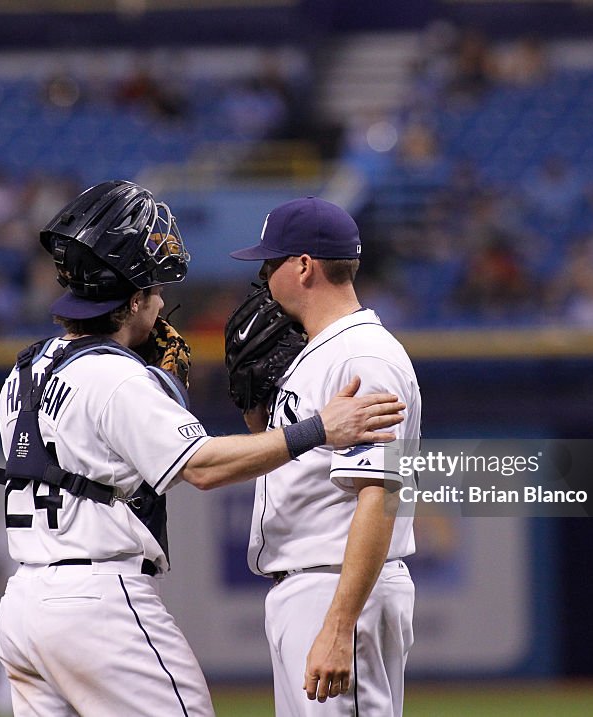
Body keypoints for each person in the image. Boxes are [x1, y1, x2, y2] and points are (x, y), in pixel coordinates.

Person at [0, 181, 405, 717]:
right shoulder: (116, 378)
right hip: (97, 602)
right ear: (133, 299)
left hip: (23, 609)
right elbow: (203, 468)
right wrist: (316, 428)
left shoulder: (25, 369)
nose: (163, 305)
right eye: (156, 292)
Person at [229, 197, 421, 716]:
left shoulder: (364, 357)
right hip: (312, 586)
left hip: (339, 589)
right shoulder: (317, 352)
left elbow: (380, 495)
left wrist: (339, 625)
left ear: (304, 266)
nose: (263, 279)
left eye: (270, 265)